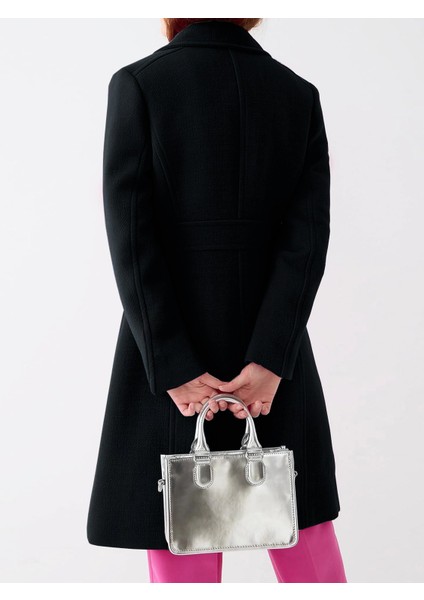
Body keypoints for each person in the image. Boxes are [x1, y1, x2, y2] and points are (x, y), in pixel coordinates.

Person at [86, 17, 347, 583]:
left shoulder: (139, 84)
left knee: (183, 534)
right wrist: (271, 359)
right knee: (305, 538)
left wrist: (173, 365)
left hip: (173, 344)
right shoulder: (297, 94)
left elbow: (131, 239)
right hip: (272, 353)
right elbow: (307, 242)